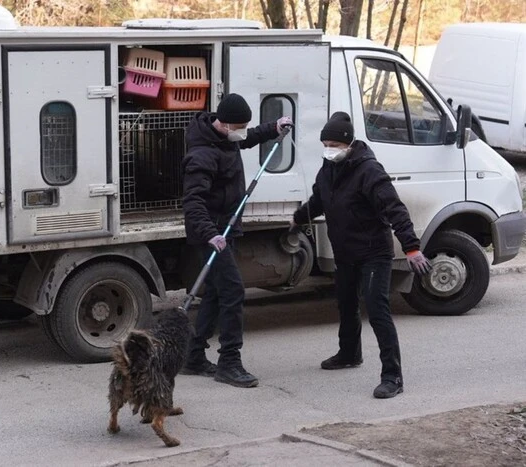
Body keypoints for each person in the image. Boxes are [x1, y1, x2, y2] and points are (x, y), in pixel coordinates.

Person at [291, 111, 432, 399]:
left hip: (373, 253)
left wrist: (412, 247)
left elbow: (395, 209)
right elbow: (319, 200)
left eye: (334, 144)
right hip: (345, 251)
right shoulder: (328, 169)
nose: (328, 150)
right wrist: (298, 217)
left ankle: (392, 377)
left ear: (348, 143)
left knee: (377, 309)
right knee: (345, 304)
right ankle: (349, 354)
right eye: (325, 144)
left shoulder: (369, 171)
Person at [180, 93, 291, 388]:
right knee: (232, 291)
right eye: (239, 126)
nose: (242, 131)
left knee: (216, 292)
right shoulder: (202, 154)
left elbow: (246, 138)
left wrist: (273, 127)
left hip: (223, 230)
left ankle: (193, 356)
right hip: (211, 233)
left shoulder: (224, 137)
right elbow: (192, 203)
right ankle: (229, 362)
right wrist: (211, 234)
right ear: (225, 124)